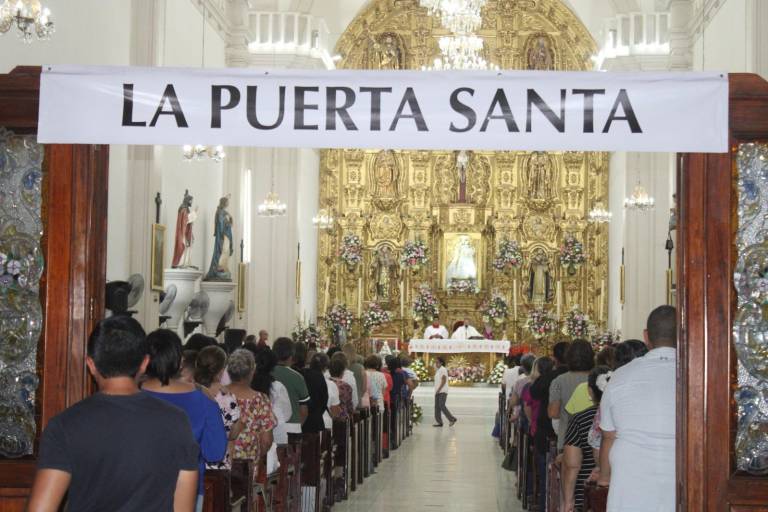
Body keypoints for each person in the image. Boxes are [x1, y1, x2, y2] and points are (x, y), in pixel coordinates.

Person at [27, 317, 199, 512]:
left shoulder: (65, 425)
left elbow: (40, 509)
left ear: (91, 365)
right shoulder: (176, 421)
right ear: (144, 363)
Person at [599, 306, 677, 512]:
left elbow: (608, 436)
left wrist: (604, 479)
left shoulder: (620, 376)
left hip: (630, 477)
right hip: (682, 474)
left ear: (646, 336)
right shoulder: (698, 374)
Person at [142, 329, 227, 511]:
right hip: (188, 491)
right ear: (180, 362)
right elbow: (215, 452)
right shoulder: (203, 401)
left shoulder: (130, 396)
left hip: (137, 489)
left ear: (144, 360)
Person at [562, 366, 611, 512]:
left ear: (590, 391)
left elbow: (572, 464)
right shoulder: (622, 418)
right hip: (616, 488)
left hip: (587, 491)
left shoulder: (580, 418)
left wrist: (568, 501)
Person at [227, 349, 277, 479]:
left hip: (218, 465)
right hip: (246, 467)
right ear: (252, 372)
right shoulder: (260, 400)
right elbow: (266, 441)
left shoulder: (216, 395)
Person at [194, 346, 242, 470]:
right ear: (222, 370)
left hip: (191, 462)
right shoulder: (227, 397)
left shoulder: (190, 391)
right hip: (217, 463)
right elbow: (233, 434)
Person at [549, 340, 595, 450]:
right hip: (594, 439)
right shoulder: (599, 378)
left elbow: (553, 413)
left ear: (568, 357)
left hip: (568, 438)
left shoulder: (559, 381)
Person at [252, 346, 291, 473]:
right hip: (277, 436)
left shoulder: (249, 385)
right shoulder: (278, 387)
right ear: (273, 367)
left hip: (254, 438)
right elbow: (287, 413)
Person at [526, 356, 557, 511]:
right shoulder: (556, 379)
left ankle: (543, 502)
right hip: (551, 431)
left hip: (542, 431)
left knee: (544, 469)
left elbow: (528, 405)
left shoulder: (535, 384)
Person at [271, 337, 310, 436]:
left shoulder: (265, 374)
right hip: (292, 427)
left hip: (270, 428)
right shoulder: (297, 377)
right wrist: (297, 427)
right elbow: (304, 410)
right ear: (291, 355)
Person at [303, 353, 339, 433]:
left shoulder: (303, 377)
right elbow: (335, 411)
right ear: (326, 367)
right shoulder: (331, 384)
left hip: (305, 422)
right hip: (323, 421)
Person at [433, 357, 457, 427]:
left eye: (437, 362)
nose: (436, 364)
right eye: (435, 362)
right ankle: (439, 422)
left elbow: (444, 380)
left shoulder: (443, 369)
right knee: (437, 407)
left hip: (442, 391)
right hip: (437, 391)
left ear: (441, 363)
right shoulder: (438, 370)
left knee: (441, 405)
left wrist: (439, 390)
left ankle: (452, 419)